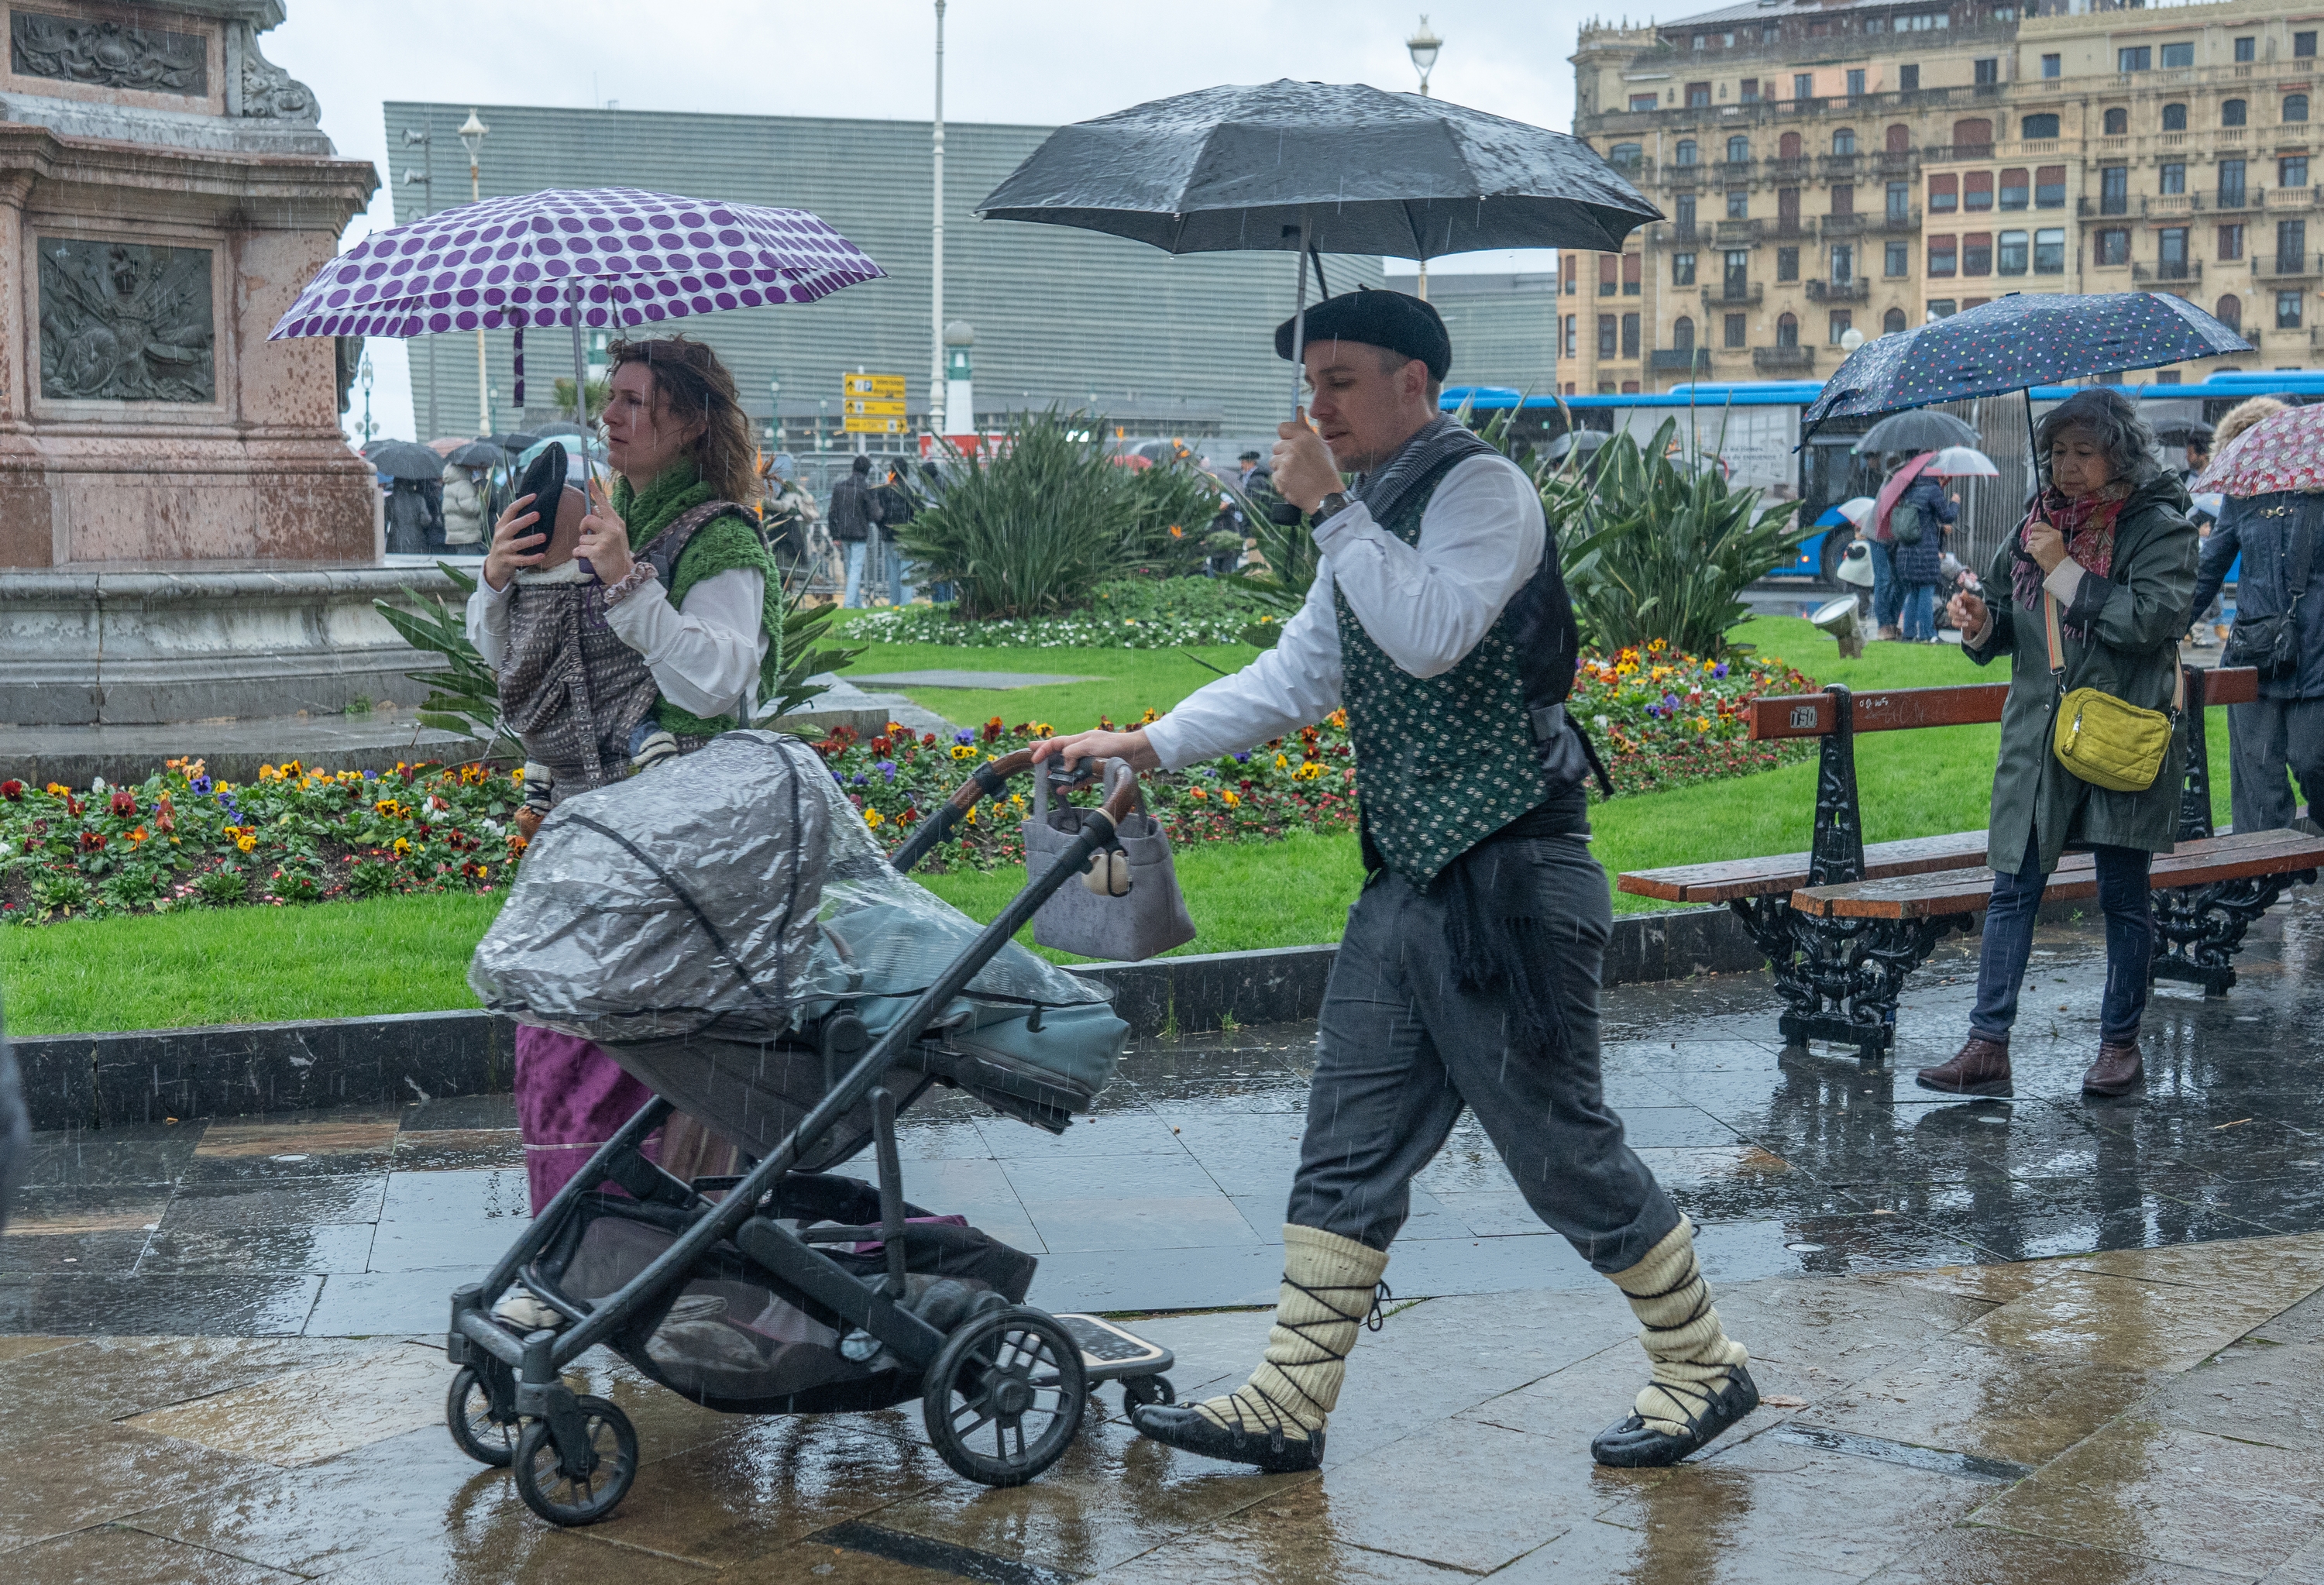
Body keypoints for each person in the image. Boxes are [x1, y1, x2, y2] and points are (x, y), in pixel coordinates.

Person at [1032, 287, 1758, 1477]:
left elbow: (1432, 634)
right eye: (1309, 384)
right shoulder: (1365, 516)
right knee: (1347, 1137)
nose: (1316, 406)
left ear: (1414, 382)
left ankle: (1701, 1361)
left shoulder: (1484, 491)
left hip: (1515, 880)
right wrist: (1147, 743)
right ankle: (1289, 1397)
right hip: (1410, 881)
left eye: (1341, 381)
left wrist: (1329, 511)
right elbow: (1299, 674)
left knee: (1560, 1145)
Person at [466, 335, 781, 1239]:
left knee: (629, 1052)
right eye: (611, 396)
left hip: (679, 833)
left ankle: (649, 1236)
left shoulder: (719, 537)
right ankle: (586, 1237)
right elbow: (521, 667)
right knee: (559, 1039)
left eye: (636, 401)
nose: (610, 415)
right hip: (591, 833)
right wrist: (498, 579)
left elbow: (715, 682)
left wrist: (627, 583)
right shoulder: (600, 519)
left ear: (690, 423)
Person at [1921, 389, 2198, 1102]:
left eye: (2084, 452)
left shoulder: (2160, 527)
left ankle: (2119, 1048)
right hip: (2037, 739)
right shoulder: (2038, 523)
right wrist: (1979, 621)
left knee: (2123, 896)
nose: (2067, 467)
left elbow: (2151, 620)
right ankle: (1987, 1046)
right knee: (2013, 888)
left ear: (2120, 454)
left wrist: (2065, 570)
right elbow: (2005, 619)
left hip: (2117, 732)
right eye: (2057, 453)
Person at [2187, 417, 2324, 836]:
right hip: (2254, 655)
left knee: (2312, 760)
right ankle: (2267, 868)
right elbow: (2209, 569)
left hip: (2317, 656)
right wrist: (2164, 629)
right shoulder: (2242, 498)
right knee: (2258, 777)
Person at [1890, 470, 1959, 641]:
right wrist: (1955, 503)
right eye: (1944, 479)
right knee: (1926, 593)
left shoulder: (1910, 491)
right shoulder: (1933, 491)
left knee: (1913, 593)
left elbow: (1921, 522)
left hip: (1907, 552)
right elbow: (1947, 516)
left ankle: (1909, 633)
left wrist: (1939, 529)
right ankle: (1927, 634)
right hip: (1925, 552)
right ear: (1939, 477)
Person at [829, 454, 880, 607]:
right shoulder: (866, 488)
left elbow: (832, 513)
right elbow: (874, 514)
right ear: (867, 471)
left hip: (843, 533)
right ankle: (850, 604)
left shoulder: (840, 487)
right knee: (855, 570)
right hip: (860, 534)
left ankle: (856, 604)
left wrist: (835, 535)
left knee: (850, 570)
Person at [441, 459, 489, 549]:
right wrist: (481, 498)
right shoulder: (464, 485)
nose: (475, 468)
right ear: (466, 466)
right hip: (467, 536)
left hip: (454, 535)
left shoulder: (449, 485)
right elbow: (471, 509)